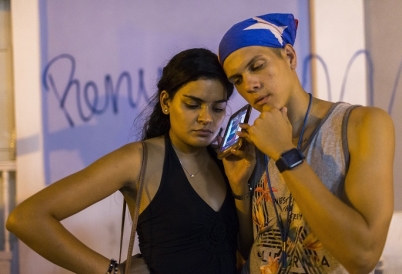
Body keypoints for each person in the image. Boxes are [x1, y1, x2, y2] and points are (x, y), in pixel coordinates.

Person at [6, 48, 240, 273]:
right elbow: (26, 218)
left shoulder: (226, 160)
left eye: (218, 108)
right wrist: (111, 271)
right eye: (192, 105)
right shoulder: (138, 159)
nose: (206, 118)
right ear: (166, 102)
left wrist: (243, 181)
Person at [218, 13, 395, 274]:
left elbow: (363, 257)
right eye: (238, 80)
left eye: (256, 66)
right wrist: (238, 187)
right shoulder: (254, 145)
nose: (250, 85)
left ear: (289, 56)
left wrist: (285, 153)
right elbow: (253, 250)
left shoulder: (362, 124)